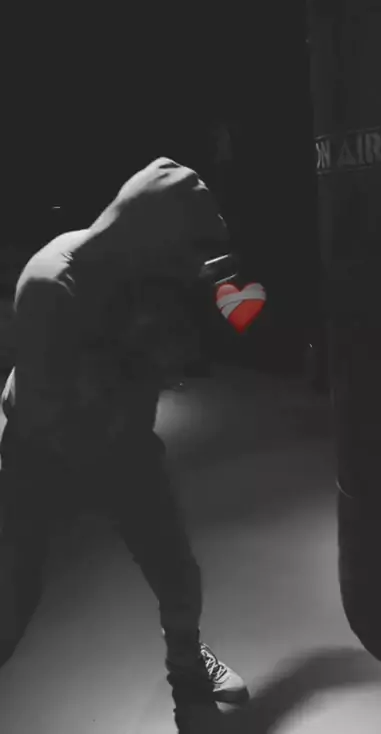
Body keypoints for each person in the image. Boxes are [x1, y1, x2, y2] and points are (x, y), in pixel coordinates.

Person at [0, 157, 249, 722]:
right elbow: (55, 415)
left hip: (119, 440)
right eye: (181, 249)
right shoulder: (53, 283)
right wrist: (139, 362)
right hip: (38, 450)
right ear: (150, 236)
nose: (187, 264)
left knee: (178, 574)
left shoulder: (144, 277)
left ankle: (188, 676)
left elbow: (167, 358)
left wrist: (177, 332)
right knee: (12, 600)